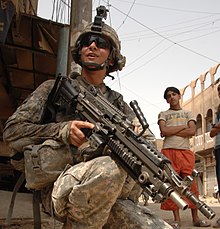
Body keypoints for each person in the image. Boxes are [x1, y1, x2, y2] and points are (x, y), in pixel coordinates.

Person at [3, 6, 172, 229]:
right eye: (87, 42)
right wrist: (61, 130)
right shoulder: (53, 89)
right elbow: (12, 133)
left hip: (110, 193)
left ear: (112, 57)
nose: (92, 46)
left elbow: (147, 142)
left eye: (100, 43)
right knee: (108, 170)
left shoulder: (118, 103)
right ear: (79, 51)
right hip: (61, 186)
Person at [158, 86, 210, 228]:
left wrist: (172, 131)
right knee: (172, 185)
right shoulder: (163, 114)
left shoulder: (188, 113)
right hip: (168, 151)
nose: (172, 97)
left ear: (179, 96)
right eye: (168, 96)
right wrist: (182, 128)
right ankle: (176, 220)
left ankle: (196, 218)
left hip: (185, 151)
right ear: (167, 100)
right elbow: (164, 130)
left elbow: (192, 131)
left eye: (174, 94)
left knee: (191, 186)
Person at [210, 84, 220, 228]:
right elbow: (212, 132)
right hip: (218, 147)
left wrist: (216, 127)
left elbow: (215, 129)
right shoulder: (219, 109)